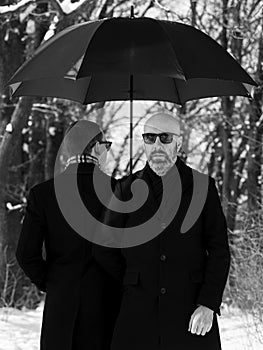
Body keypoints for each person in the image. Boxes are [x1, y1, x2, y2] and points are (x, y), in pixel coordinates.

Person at [93, 112, 231, 350]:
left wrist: (208, 304)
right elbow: (104, 247)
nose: (157, 145)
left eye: (165, 138)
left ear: (179, 142)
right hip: (137, 315)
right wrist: (131, 278)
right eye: (149, 138)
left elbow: (219, 251)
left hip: (190, 314)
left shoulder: (203, 187)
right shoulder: (125, 189)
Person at [16, 119, 122, 350]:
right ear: (96, 148)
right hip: (106, 305)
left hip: (61, 304)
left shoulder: (42, 194)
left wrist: (52, 281)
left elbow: (25, 254)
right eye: (106, 146)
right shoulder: (118, 192)